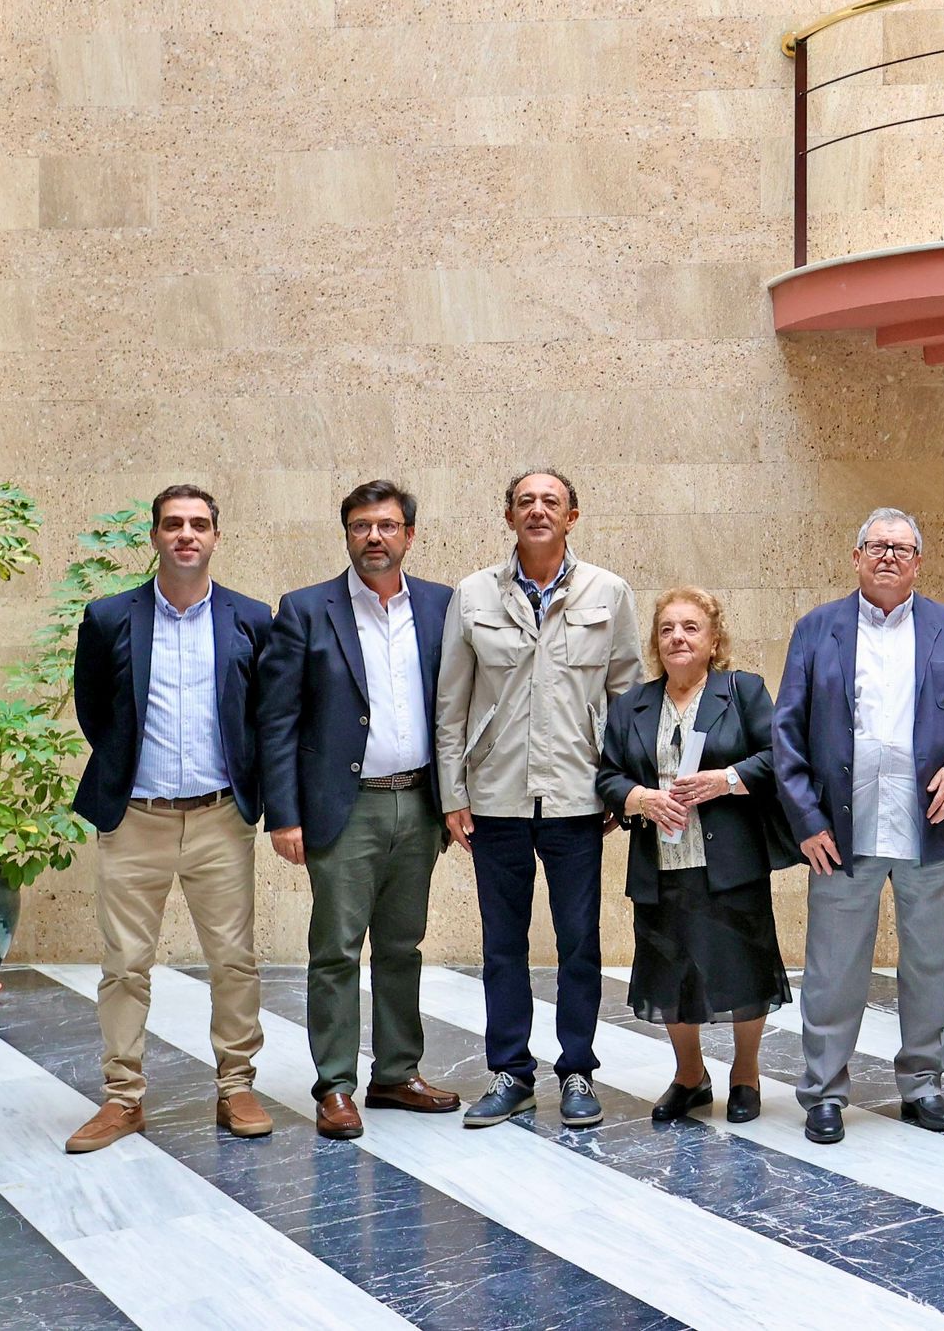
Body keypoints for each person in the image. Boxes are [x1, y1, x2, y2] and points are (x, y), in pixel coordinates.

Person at [773, 507, 944, 1145]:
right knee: (833, 963)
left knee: (933, 962)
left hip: (930, 823)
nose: (888, 558)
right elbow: (787, 733)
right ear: (856, 557)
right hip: (840, 833)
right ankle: (823, 1090)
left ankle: (924, 1086)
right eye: (876, 546)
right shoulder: (817, 629)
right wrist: (806, 818)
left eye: (902, 549)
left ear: (919, 562)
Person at [65, 485, 274, 1153]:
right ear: (155, 536)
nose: (187, 534)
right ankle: (123, 1100)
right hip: (136, 819)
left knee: (235, 961)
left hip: (219, 819)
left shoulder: (250, 618)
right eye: (174, 524)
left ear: (216, 537)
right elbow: (95, 711)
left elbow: (262, 717)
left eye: (199, 524)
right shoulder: (108, 618)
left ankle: (236, 1086)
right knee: (125, 964)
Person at [436, 469, 643, 1129]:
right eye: (525, 501)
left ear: (572, 515)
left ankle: (577, 1071)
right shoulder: (472, 595)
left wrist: (619, 785)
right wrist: (452, 794)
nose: (537, 510)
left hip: (579, 799)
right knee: (503, 944)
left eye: (550, 501)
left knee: (579, 941)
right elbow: (451, 705)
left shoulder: (607, 592)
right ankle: (510, 1073)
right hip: (495, 797)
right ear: (508, 515)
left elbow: (627, 699)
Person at [258, 480, 460, 1141]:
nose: (375, 537)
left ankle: (398, 1073)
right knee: (337, 950)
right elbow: (278, 720)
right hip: (345, 810)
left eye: (388, 525)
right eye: (362, 526)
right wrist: (284, 815)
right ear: (346, 534)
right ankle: (335, 1086)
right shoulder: (305, 610)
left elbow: (459, 710)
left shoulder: (440, 607)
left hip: (420, 803)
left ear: (409, 534)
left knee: (403, 945)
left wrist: (456, 800)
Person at [596, 587, 791, 1125]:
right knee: (670, 974)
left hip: (730, 862)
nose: (677, 638)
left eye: (690, 628)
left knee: (743, 970)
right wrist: (641, 798)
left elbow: (778, 757)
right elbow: (608, 775)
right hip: (660, 862)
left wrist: (725, 780)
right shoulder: (632, 704)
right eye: (666, 629)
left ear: (713, 640)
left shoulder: (742, 691)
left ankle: (746, 1075)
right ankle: (690, 1076)